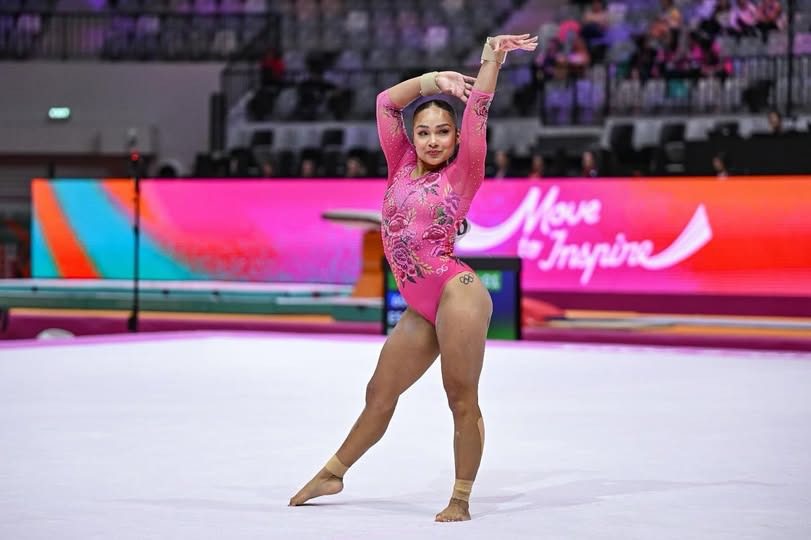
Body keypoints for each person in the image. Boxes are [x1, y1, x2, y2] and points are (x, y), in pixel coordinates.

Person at [289, 33, 538, 522]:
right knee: (379, 393)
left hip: (457, 293)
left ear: (456, 138)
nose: (432, 140)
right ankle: (334, 473)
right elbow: (386, 103)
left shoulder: (464, 171)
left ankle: (460, 498)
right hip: (422, 306)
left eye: (442, 132)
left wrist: (491, 57)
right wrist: (432, 80)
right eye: (423, 132)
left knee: (460, 397)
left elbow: (479, 108)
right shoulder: (400, 164)